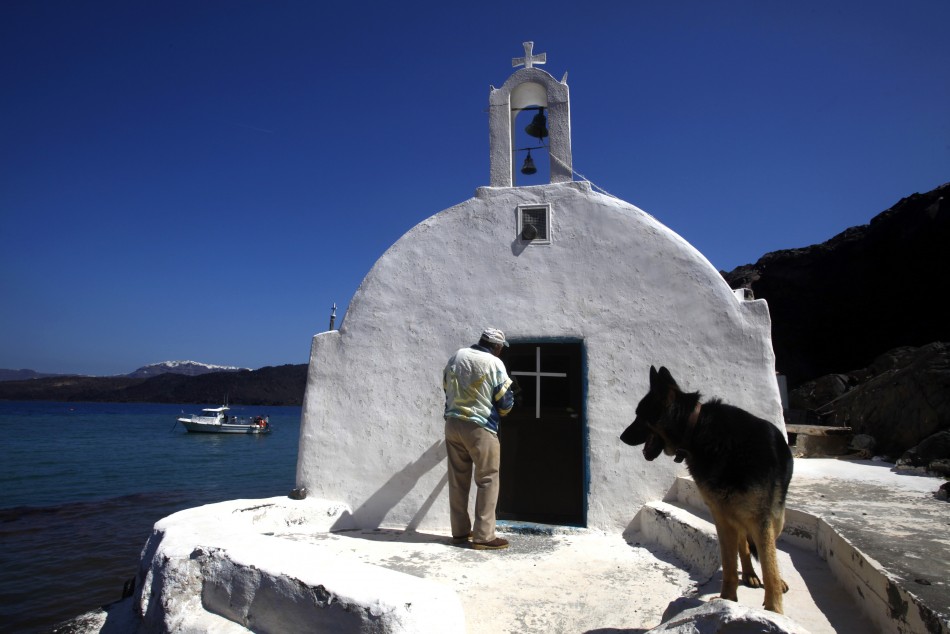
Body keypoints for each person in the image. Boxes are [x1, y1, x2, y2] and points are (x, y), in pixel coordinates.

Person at [443, 328, 515, 550]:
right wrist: (502, 412)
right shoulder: (494, 363)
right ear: (497, 346)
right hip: (480, 427)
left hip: (452, 424)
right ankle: (484, 536)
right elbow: (505, 401)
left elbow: (446, 385)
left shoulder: (457, 356)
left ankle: (460, 532)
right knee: (487, 479)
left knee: (457, 480)